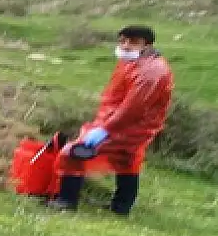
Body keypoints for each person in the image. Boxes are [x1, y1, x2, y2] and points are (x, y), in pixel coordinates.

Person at [48, 25, 174, 215]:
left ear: (147, 45)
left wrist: (106, 129)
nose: (125, 46)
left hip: (127, 126)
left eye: (133, 42)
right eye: (123, 41)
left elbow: (132, 108)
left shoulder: (151, 73)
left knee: (72, 153)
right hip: (122, 123)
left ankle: (66, 201)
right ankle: (121, 208)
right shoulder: (134, 61)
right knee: (127, 161)